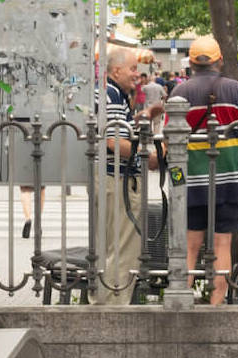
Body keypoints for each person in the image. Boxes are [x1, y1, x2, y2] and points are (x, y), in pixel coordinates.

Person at [169, 36, 238, 305]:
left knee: (190, 245)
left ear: (191, 64)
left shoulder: (179, 94)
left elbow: (169, 142)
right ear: (220, 60)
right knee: (223, 243)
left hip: (191, 182)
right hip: (231, 179)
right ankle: (216, 304)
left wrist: (177, 182)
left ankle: (179, 301)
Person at [94, 46, 162, 305]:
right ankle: (113, 303)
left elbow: (115, 132)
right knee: (124, 247)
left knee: (112, 245)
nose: (137, 74)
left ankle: (104, 300)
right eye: (133, 69)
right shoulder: (111, 94)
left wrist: (141, 118)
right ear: (116, 70)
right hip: (117, 178)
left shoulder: (113, 94)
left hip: (111, 177)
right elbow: (113, 141)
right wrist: (148, 157)